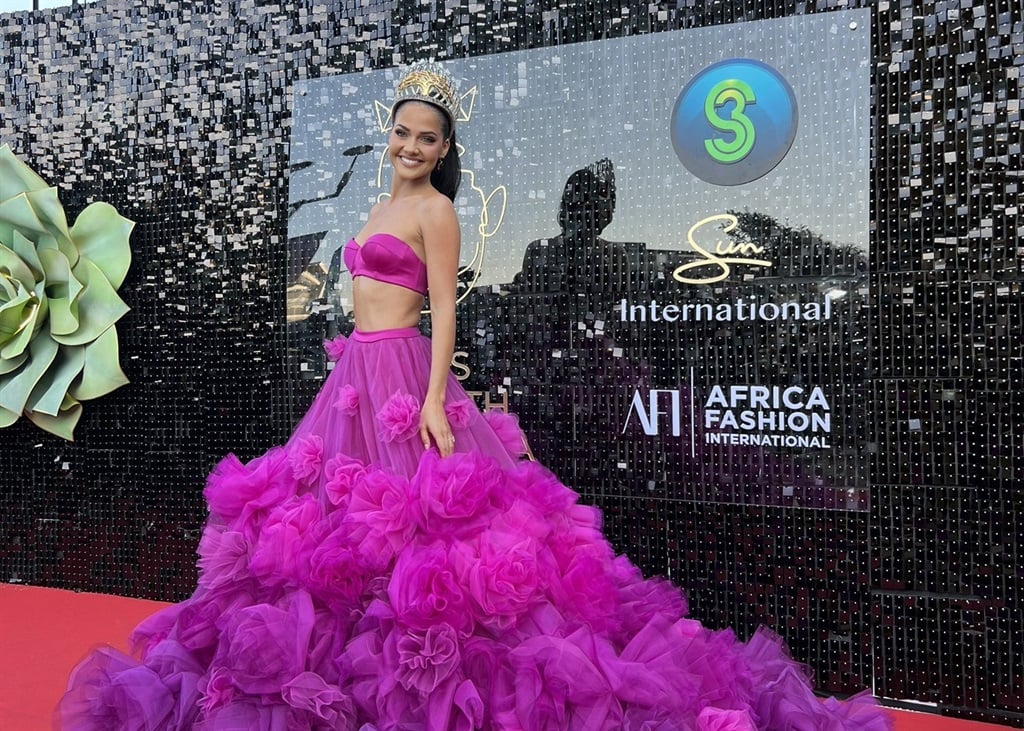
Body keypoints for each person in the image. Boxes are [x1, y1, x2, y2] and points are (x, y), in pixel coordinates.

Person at [57, 61, 890, 731]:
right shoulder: (380, 200)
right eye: (403, 133)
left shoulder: (438, 211)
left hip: (404, 379)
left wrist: (429, 397)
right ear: (388, 137)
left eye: (428, 137)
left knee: (434, 531)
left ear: (442, 147)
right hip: (354, 377)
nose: (412, 145)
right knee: (331, 529)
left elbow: (447, 313)